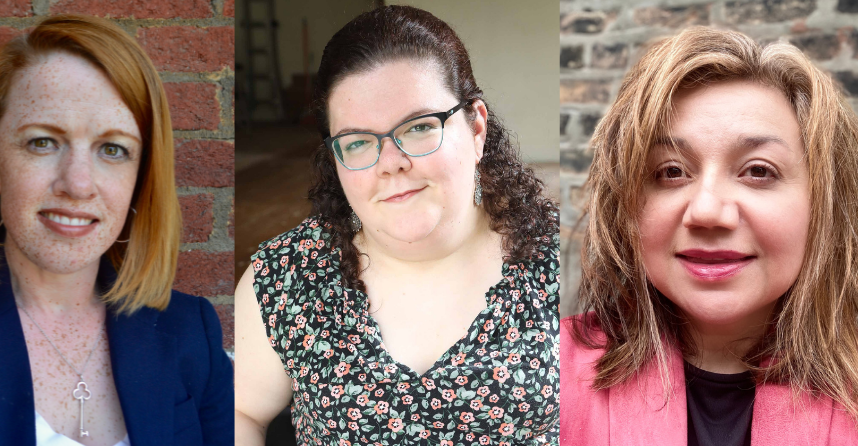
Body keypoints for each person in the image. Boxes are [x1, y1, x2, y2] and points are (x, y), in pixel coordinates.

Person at [235, 5, 560, 446]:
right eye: (357, 141)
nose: (391, 163)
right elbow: (241, 412)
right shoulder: (284, 278)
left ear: (477, 128)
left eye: (420, 127)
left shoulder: (563, 259)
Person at [0, 15, 233, 445]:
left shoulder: (190, 331)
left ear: (140, 178)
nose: (78, 184)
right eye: (42, 142)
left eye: (113, 149)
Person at [561, 27, 858, 445]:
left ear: (824, 203)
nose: (706, 211)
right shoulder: (542, 372)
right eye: (671, 171)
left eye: (758, 171)